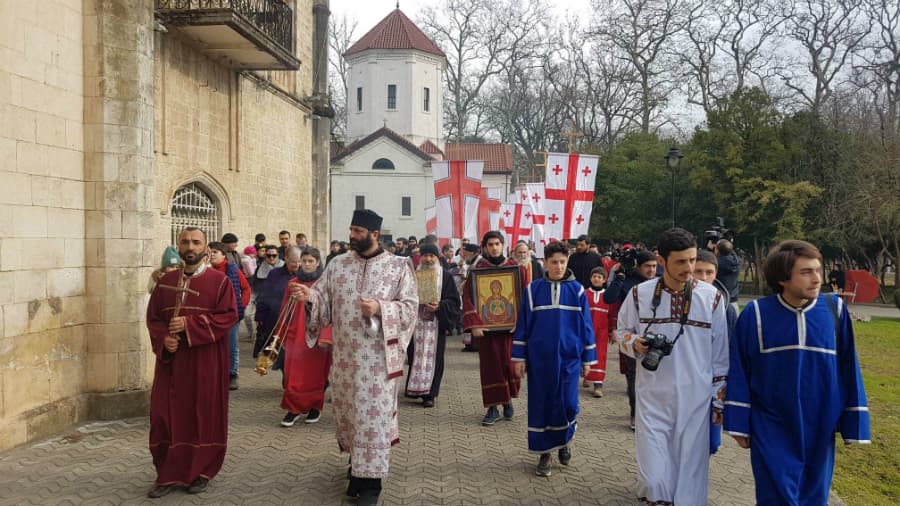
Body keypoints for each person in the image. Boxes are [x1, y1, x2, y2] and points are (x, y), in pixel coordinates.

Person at [724, 240, 870, 505]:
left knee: (814, 495)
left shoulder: (834, 311)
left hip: (821, 423)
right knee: (775, 495)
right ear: (783, 278)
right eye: (806, 272)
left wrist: (854, 422)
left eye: (818, 270)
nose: (817, 279)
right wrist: (738, 422)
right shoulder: (756, 314)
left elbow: (849, 367)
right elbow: (740, 371)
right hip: (771, 423)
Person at [291, 209, 417, 506]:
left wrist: (381, 308)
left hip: (379, 362)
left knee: (374, 418)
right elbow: (322, 298)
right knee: (350, 415)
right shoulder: (338, 265)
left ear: (375, 235)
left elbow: (411, 308)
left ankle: (371, 485)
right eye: (351, 230)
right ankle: (358, 471)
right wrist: (308, 297)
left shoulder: (398, 267)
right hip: (346, 359)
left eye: (358, 231)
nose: (352, 236)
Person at [616, 228, 728, 506]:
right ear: (662, 259)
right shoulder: (639, 295)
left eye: (692, 260)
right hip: (652, 398)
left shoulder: (711, 298)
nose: (689, 268)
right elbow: (621, 333)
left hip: (696, 401)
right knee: (654, 479)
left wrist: (718, 400)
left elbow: (720, 354)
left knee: (689, 480)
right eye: (681, 262)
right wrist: (635, 343)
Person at [145, 228, 238, 498]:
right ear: (178, 245)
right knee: (165, 416)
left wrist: (189, 324)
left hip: (205, 361)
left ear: (205, 247)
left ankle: (201, 472)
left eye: (196, 242)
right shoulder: (165, 283)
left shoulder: (219, 282)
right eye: (185, 242)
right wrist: (164, 339)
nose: (190, 247)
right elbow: (154, 319)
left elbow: (228, 317)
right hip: (172, 365)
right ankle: (167, 474)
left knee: (202, 415)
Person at [512, 241, 597, 477]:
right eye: (554, 262)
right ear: (545, 263)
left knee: (569, 404)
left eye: (562, 262)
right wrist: (519, 357)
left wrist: (588, 359)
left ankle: (566, 439)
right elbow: (523, 326)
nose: (559, 266)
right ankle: (545, 454)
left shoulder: (578, 291)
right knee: (543, 406)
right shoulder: (533, 290)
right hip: (540, 361)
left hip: (569, 360)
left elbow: (586, 327)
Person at [462, 231, 527, 426]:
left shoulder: (516, 269)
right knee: (491, 368)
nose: (494, 248)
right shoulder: (477, 270)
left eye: (497, 244)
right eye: (490, 245)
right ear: (484, 247)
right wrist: (474, 324)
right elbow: (468, 298)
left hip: (511, 330)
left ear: (503, 245)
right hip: (487, 332)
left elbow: (525, 298)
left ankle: (507, 401)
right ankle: (492, 407)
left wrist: (520, 321)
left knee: (509, 366)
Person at [603, 249, 658, 430]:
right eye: (647, 267)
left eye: (654, 266)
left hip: (657, 335)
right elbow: (609, 298)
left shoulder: (662, 282)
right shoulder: (627, 281)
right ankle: (635, 414)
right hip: (633, 335)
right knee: (633, 377)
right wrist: (619, 277)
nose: (651, 270)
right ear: (638, 267)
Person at [279, 247, 333, 427]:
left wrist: (327, 336)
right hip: (295, 334)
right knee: (292, 374)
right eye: (304, 261)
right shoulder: (292, 283)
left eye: (311, 261)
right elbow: (284, 309)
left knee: (317, 375)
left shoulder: (325, 284)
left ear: (318, 262)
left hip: (317, 336)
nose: (307, 264)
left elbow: (330, 310)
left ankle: (315, 407)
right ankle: (293, 409)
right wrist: (281, 333)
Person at [405, 244, 461, 407]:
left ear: (438, 258)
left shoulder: (445, 276)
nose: (428, 259)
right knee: (415, 356)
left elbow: (454, 302)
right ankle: (415, 389)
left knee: (434, 359)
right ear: (420, 257)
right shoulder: (413, 275)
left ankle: (430, 394)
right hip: (416, 325)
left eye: (432, 256)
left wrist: (439, 306)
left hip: (435, 326)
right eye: (425, 255)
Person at [208, 242, 251, 390]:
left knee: (232, 346)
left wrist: (241, 305)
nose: (211, 254)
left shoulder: (232, 269)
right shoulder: (206, 271)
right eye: (210, 252)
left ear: (222, 254)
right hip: (213, 315)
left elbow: (245, 289)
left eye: (215, 252)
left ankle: (232, 374)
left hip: (231, 314)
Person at [254, 247, 301, 358]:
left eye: (299, 261)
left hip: (296, 321)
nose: (297, 264)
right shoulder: (274, 274)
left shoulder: (304, 275)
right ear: (286, 259)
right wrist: (260, 317)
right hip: (276, 319)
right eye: (293, 261)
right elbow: (264, 295)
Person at [584, 266, 611, 398]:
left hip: (602, 331)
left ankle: (598, 385)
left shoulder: (607, 296)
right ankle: (586, 375)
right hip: (586, 329)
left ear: (604, 280)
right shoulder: (584, 294)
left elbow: (611, 315)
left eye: (599, 277)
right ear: (590, 278)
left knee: (600, 355)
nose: (596, 279)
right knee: (585, 353)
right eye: (594, 276)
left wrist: (612, 331)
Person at [714, 239, 740, 308]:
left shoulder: (716, 263)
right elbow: (731, 251)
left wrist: (709, 249)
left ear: (717, 250)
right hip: (733, 300)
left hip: (719, 299)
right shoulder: (737, 261)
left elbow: (707, 260)